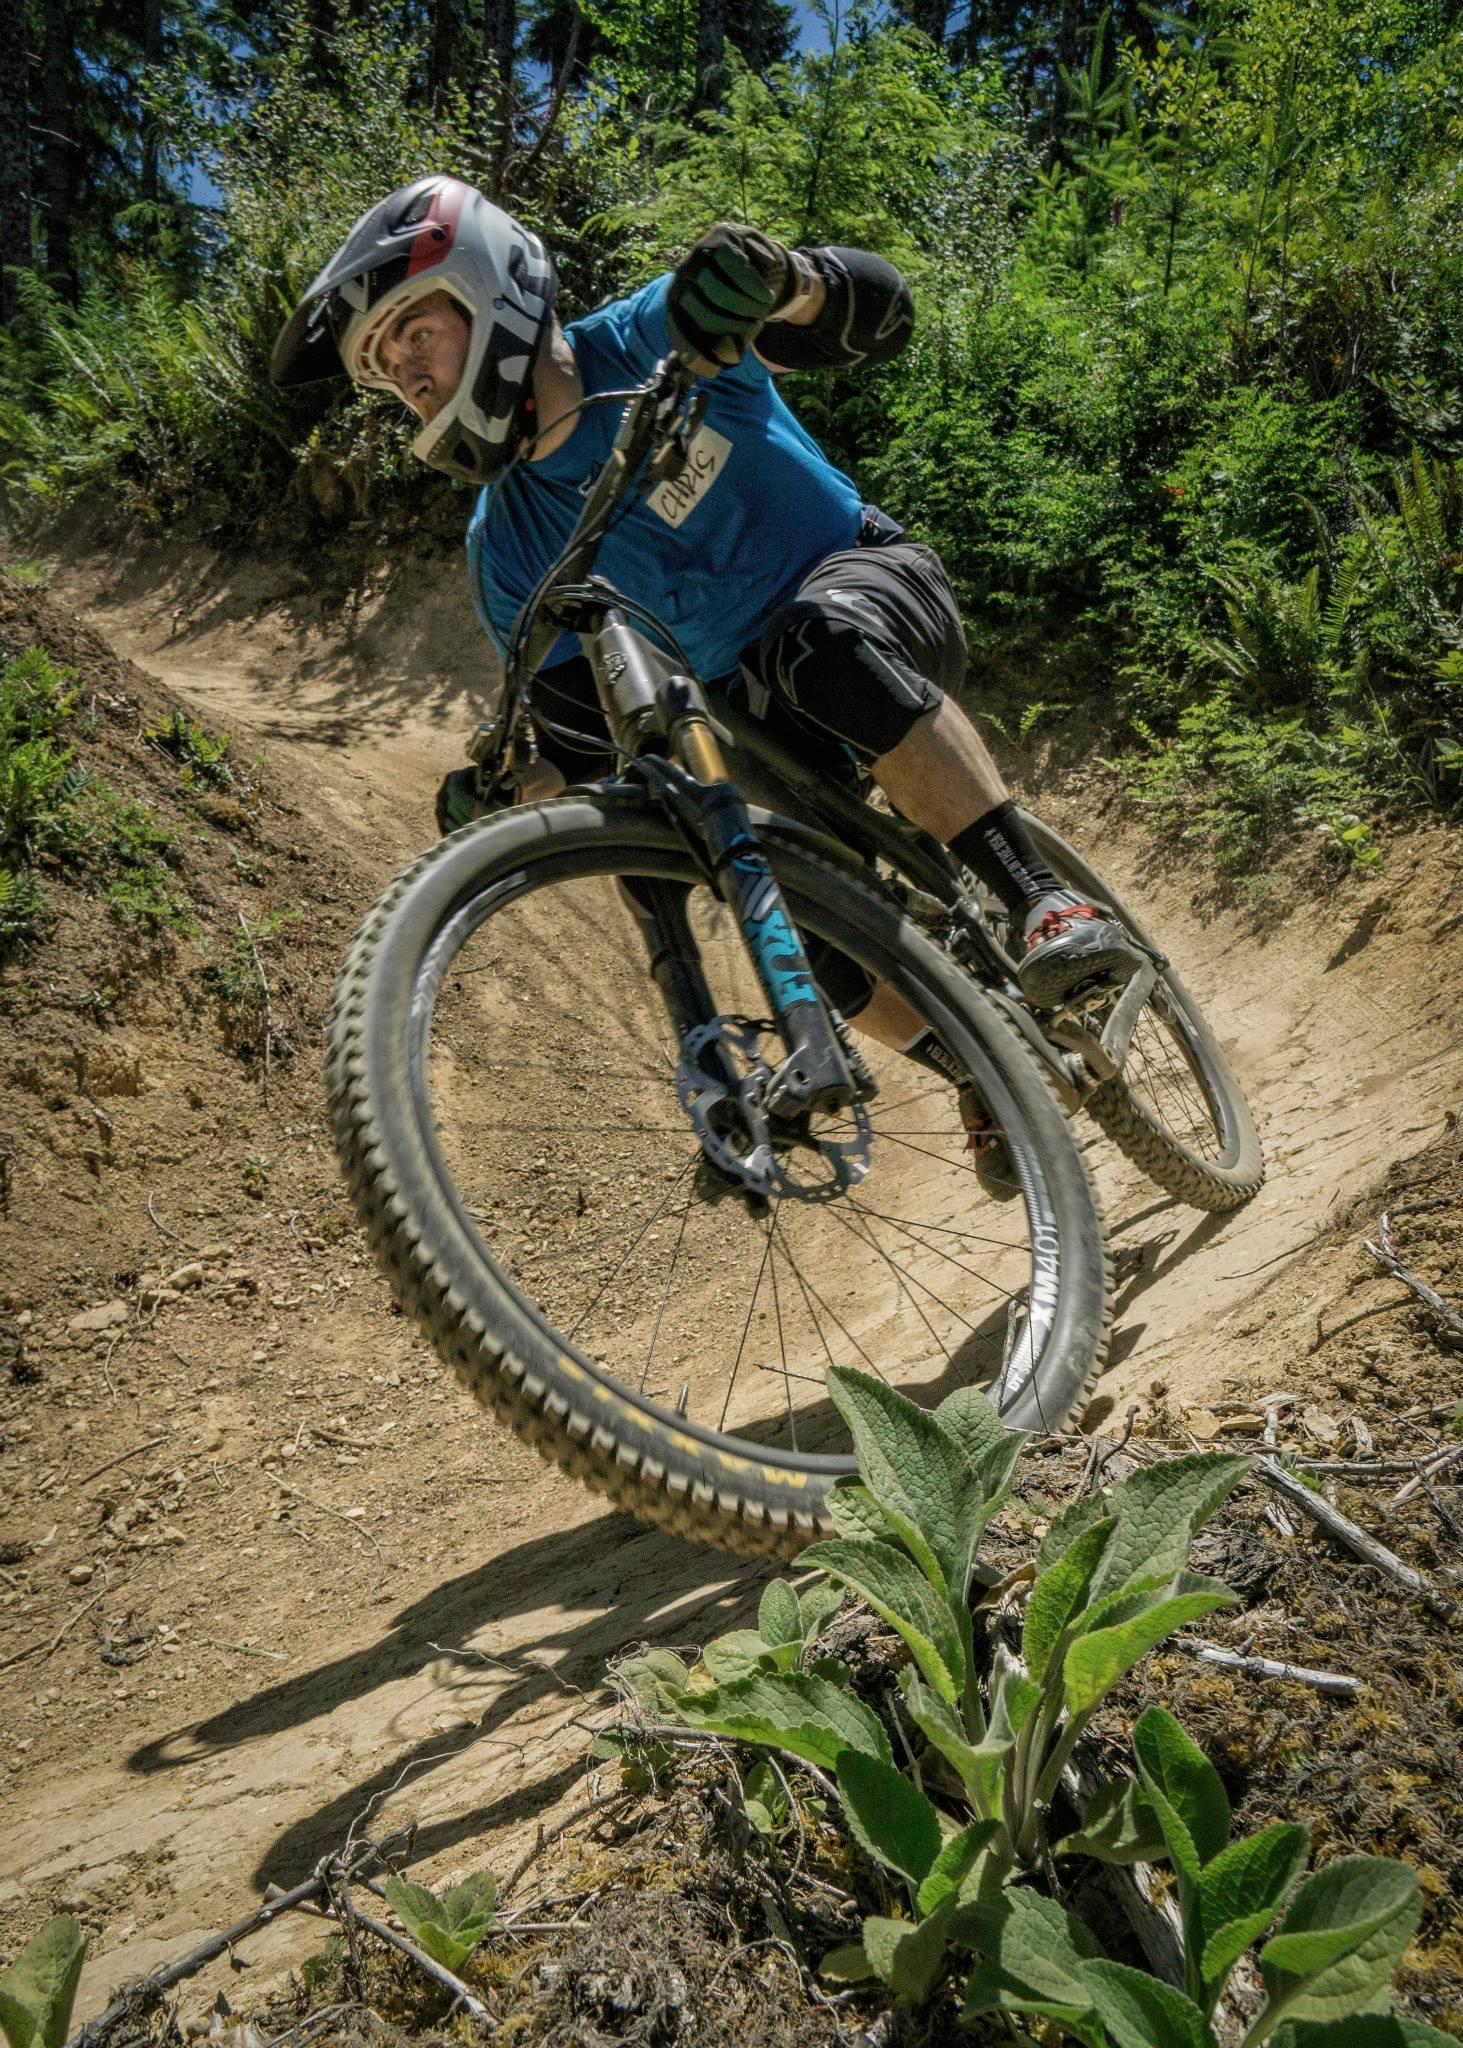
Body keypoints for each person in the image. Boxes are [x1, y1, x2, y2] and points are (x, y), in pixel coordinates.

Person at [272, 176, 1141, 1171]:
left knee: (808, 646)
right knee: (787, 900)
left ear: (488, 284)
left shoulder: (654, 334)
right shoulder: (504, 548)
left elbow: (880, 310)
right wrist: (518, 791)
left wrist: (786, 279)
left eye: (412, 338)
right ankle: (982, 1073)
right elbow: (584, 743)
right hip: (759, 721)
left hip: (862, 586)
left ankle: (1036, 896)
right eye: (385, 373)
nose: (409, 382)